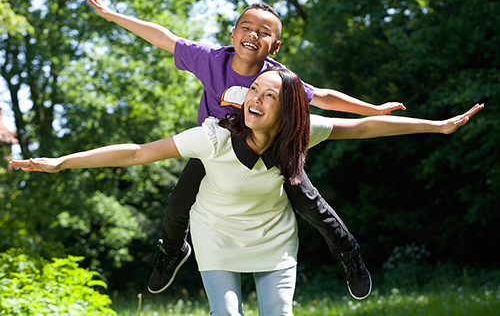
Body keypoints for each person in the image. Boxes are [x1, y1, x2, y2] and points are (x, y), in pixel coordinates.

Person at [10, 67, 483, 315]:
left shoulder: (303, 132)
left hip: (273, 239)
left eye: (270, 95)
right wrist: (61, 161)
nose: (256, 98)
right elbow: (135, 152)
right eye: (254, 89)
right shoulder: (213, 136)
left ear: (288, 110)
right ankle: (169, 253)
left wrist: (438, 126)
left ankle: (349, 254)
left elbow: (364, 129)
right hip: (215, 234)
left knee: (278, 312)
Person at [85, 0, 407, 299]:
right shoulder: (210, 61)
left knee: (312, 205)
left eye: (264, 32)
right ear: (233, 34)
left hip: (271, 151)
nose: (253, 34)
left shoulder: (279, 79)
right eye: (246, 27)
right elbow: (163, 38)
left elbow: (322, 96)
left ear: (275, 46)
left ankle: (349, 254)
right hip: (217, 152)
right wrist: (112, 16)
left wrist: (372, 108)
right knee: (178, 202)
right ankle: (172, 251)